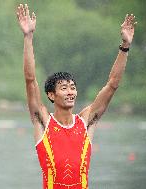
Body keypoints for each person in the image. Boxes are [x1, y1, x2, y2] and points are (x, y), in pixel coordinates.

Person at [16, 4, 136, 189]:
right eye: (64, 88)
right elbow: (30, 80)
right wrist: (28, 36)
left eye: (73, 87)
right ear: (51, 95)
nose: (70, 92)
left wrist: (125, 46)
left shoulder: (86, 121)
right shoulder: (43, 121)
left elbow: (112, 84)